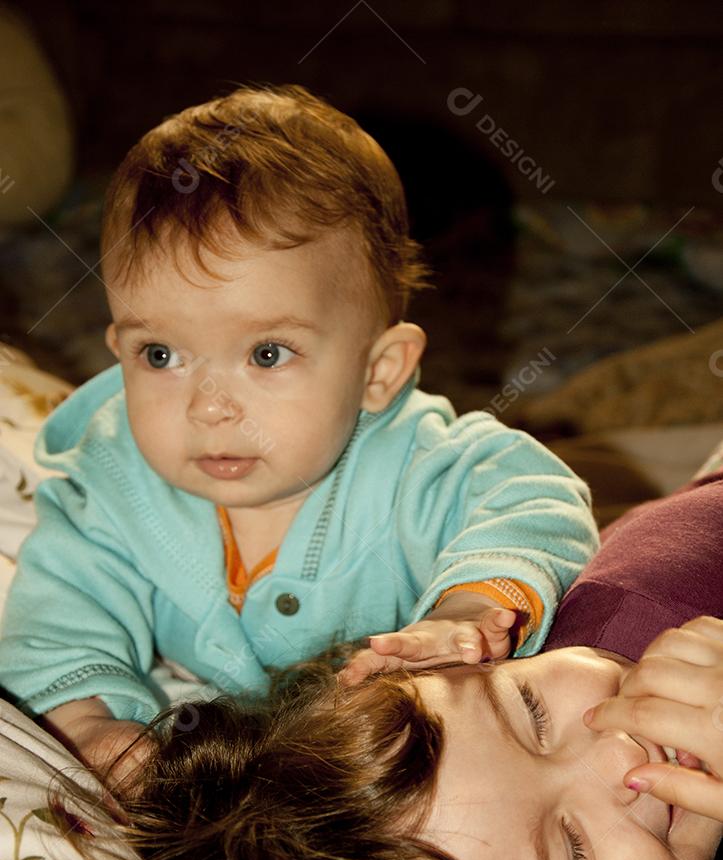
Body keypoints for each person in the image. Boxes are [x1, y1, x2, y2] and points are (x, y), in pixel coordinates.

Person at [0, 83, 598, 772]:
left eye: (266, 354)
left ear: (378, 371)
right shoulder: (110, 479)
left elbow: (532, 496)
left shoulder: (416, 462)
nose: (209, 406)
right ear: (117, 348)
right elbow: (60, 610)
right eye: (160, 355)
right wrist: (88, 719)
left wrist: (469, 608)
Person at [83, 468, 723, 860]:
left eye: (533, 713)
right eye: (574, 850)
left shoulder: (657, 602)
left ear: (484, 658)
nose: (623, 758)